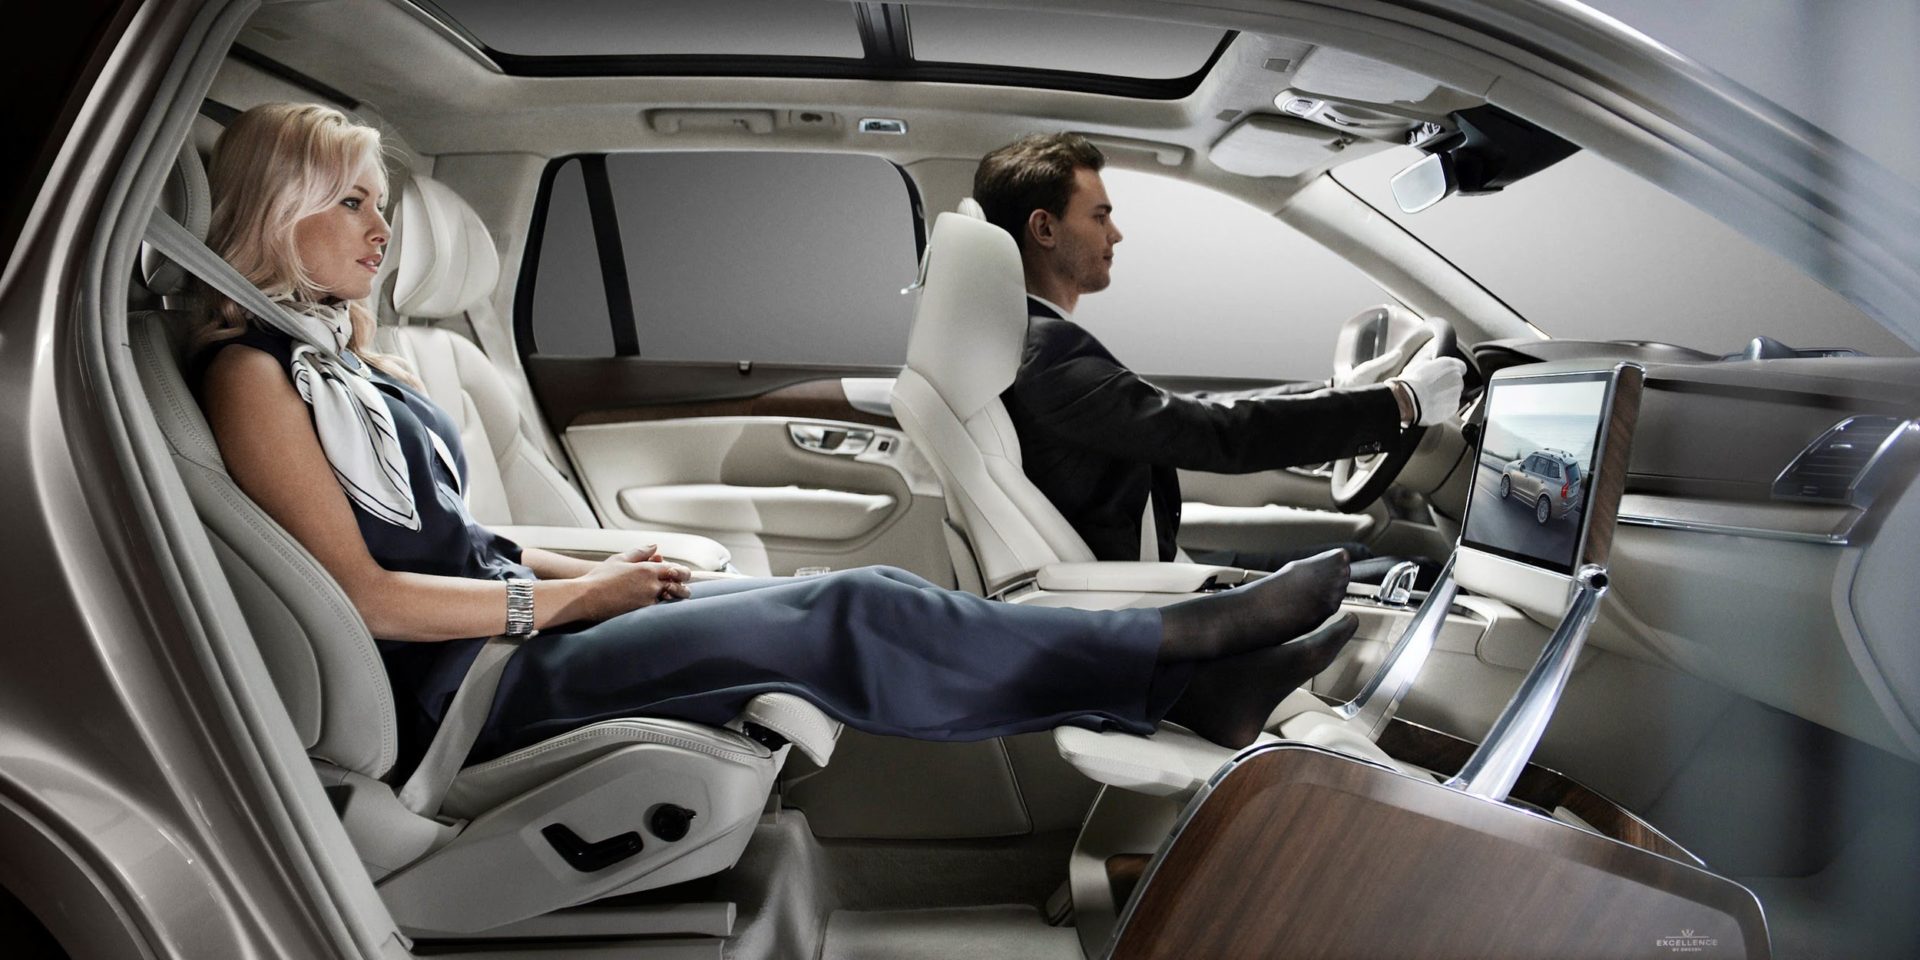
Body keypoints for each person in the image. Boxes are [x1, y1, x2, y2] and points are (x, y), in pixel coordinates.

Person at [187, 103, 1362, 766]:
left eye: (383, 202)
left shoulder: (360, 366)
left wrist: (608, 568)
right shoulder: (251, 377)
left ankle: (1184, 681)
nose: (381, 228)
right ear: (275, 212)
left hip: (507, 632)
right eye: (351, 200)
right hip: (465, 691)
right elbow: (365, 596)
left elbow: (463, 542)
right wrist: (568, 598)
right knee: (847, 612)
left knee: (856, 597)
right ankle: (1182, 654)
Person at [972, 133, 1467, 571]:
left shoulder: (1032, 343)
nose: (1115, 233)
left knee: (1363, 556)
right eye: (1100, 216)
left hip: (1144, 570)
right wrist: (1400, 403)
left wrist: (1338, 391)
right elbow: (1214, 433)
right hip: (1137, 589)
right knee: (1407, 569)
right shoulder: (1048, 354)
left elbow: (1181, 410)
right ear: (1045, 229)